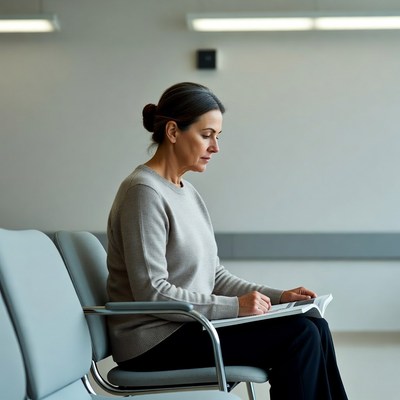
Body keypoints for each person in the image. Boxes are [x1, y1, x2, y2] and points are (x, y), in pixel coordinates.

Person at [106, 82, 348, 399]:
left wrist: (280, 297)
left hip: (191, 328)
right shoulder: (143, 193)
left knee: (316, 328)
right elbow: (151, 292)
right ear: (173, 131)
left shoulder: (187, 193)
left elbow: (214, 275)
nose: (215, 147)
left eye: (217, 137)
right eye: (206, 135)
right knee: (300, 335)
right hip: (154, 340)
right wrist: (235, 307)